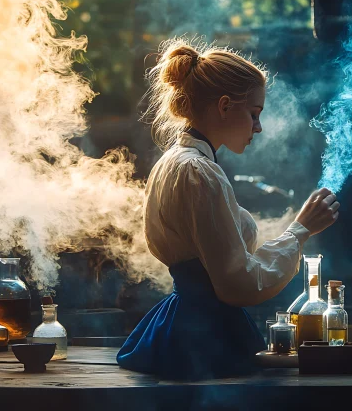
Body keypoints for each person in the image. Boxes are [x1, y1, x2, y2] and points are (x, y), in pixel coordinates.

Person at [116, 38, 339, 380]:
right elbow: (237, 282)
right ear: (224, 106)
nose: (258, 127)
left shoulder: (176, 162)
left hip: (185, 322)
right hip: (205, 335)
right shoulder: (198, 172)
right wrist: (300, 231)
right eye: (254, 114)